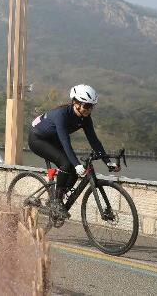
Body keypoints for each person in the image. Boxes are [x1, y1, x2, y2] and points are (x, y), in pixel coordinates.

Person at [29, 84, 120, 219]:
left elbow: (94, 141)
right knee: (67, 164)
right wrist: (76, 164)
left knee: (74, 169)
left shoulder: (85, 118)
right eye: (86, 106)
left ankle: (56, 197)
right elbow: (65, 143)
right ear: (75, 103)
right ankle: (56, 202)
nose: (89, 110)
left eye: (92, 106)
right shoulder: (61, 115)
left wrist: (108, 162)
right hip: (38, 139)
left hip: (54, 140)